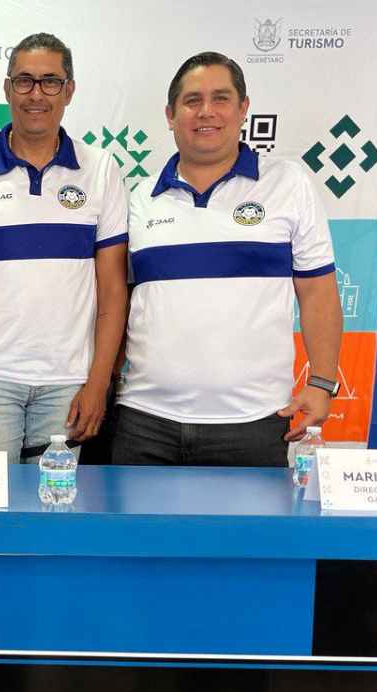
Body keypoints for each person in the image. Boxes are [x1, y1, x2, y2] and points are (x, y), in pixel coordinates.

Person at [113, 52, 343, 467]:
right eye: (192, 100)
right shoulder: (136, 198)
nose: (207, 112)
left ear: (243, 109)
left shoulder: (288, 184)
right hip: (144, 422)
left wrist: (323, 383)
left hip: (254, 423)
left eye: (221, 99)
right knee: (142, 536)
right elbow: (113, 303)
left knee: (245, 537)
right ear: (170, 114)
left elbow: (318, 291)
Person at [0, 32, 128, 464]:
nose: (36, 94)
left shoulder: (101, 170)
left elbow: (113, 288)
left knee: (54, 514)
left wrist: (99, 383)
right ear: (7, 89)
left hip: (70, 381)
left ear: (69, 90)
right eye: (24, 81)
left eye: (50, 81)